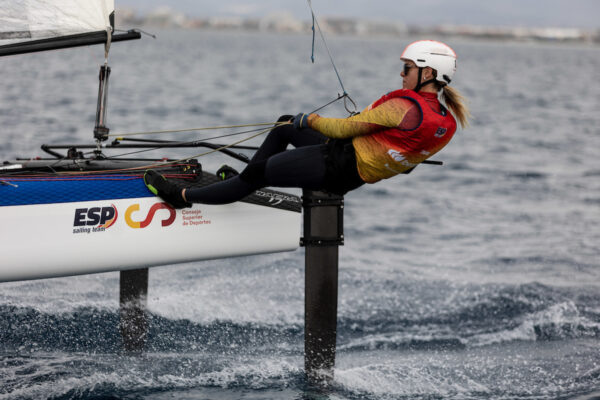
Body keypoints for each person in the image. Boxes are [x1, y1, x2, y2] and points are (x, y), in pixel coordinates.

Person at [144, 40, 470, 209]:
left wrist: (310, 120)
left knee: (260, 173)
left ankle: (182, 196)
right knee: (286, 125)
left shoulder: (403, 107)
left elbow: (343, 129)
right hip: (347, 162)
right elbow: (407, 162)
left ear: (427, 74)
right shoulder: (445, 123)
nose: (402, 74)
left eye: (407, 68)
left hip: (336, 167)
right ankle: (240, 182)